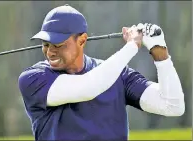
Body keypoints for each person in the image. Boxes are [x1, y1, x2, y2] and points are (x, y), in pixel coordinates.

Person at [18, 4, 185, 140]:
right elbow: (88, 87)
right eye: (45, 44)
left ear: (82, 40)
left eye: (57, 44)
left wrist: (160, 53)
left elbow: (172, 105)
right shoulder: (33, 78)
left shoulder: (119, 75)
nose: (50, 52)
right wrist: (132, 45)